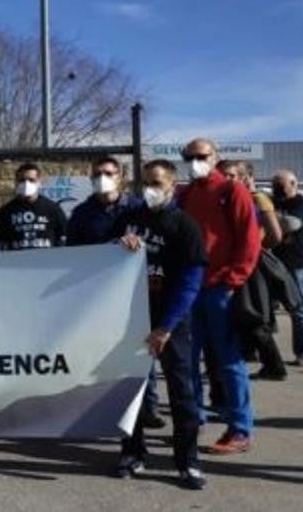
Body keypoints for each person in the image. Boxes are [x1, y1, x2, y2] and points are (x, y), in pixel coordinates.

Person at [113, 160, 207, 491]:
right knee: (129, 390)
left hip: (172, 323)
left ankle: (188, 461)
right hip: (132, 319)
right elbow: (106, 262)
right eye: (145, 184)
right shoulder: (129, 220)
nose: (150, 189)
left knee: (182, 392)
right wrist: (119, 245)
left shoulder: (185, 226)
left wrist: (165, 327)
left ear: (172, 185)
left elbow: (191, 282)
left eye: (156, 183)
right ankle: (132, 452)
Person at [66, 157, 163, 429]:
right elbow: (73, 252)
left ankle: (148, 407)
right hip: (96, 294)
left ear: (120, 177)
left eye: (108, 173)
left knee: (140, 349)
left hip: (135, 291)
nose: (103, 177)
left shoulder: (137, 207)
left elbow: (154, 235)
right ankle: (103, 408)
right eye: (97, 173)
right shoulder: (82, 213)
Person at [178, 138, 259, 455]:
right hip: (189, 289)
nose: (196, 161)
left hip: (219, 290)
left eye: (202, 156)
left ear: (215, 157)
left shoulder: (231, 190)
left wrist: (233, 279)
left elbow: (249, 239)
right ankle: (192, 421)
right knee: (186, 362)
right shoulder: (185, 194)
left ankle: (240, 429)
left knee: (230, 362)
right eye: (191, 157)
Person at [219, 160, 287, 379]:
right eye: (223, 176)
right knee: (241, 315)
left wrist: (254, 248)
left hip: (251, 266)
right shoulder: (223, 200)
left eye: (232, 176)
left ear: (244, 178)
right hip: (231, 264)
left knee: (254, 315)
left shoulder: (257, 199)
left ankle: (275, 366)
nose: (227, 180)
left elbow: (275, 235)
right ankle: (251, 356)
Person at [270, 170, 303, 367]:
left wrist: (270, 222)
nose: (277, 188)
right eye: (274, 184)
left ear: (293, 183)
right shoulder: (273, 202)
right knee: (263, 308)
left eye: (281, 184)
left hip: (297, 265)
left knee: (298, 310)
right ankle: (261, 352)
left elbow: (292, 223)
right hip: (274, 262)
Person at [0, 163, 67, 251]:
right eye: (22, 180)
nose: (26, 184)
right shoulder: (6, 211)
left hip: (46, 262)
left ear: (39, 182)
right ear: (16, 183)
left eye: (31, 180)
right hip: (17, 262)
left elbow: (64, 237)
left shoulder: (52, 209)